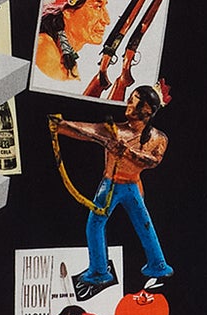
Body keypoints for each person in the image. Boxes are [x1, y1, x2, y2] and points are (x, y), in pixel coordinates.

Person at [57, 81, 173, 296]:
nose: (128, 104)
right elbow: (88, 130)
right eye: (130, 100)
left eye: (133, 102)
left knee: (142, 225)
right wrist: (62, 125)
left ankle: (156, 264)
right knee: (96, 225)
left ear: (147, 111)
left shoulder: (158, 138)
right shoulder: (116, 130)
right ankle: (100, 270)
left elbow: (153, 161)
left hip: (132, 186)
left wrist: (127, 152)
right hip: (110, 185)